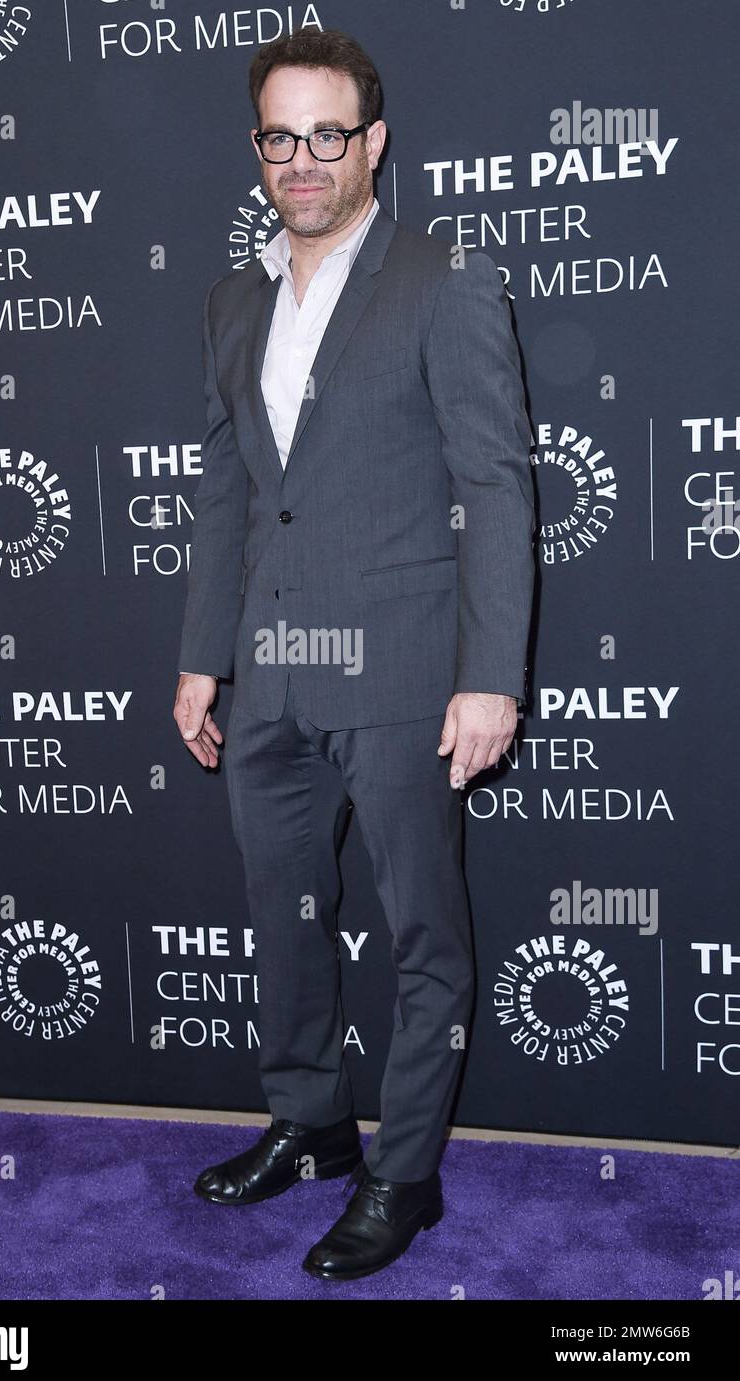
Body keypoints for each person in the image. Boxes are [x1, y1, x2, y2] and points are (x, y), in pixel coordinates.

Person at [173, 26, 535, 1281]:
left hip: (400, 672)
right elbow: (228, 494)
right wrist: (200, 656)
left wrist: (490, 674)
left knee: (422, 927)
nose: (304, 159)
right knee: (283, 914)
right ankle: (312, 1120)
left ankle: (405, 1175)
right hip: (266, 674)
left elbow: (493, 484)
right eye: (281, 136)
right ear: (258, 150)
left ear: (372, 143)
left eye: (330, 134)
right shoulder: (231, 300)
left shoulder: (443, 280)